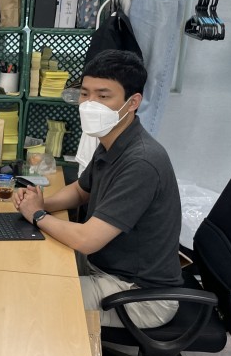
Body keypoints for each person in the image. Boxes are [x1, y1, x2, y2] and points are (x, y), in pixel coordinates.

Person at [13, 49, 182, 328]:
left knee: (30, 296)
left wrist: (38, 215)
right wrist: (40, 203)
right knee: (24, 266)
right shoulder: (112, 141)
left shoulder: (141, 161)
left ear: (132, 102)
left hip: (140, 295)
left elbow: (87, 240)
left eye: (103, 96)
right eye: (85, 94)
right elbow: (82, 191)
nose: (90, 104)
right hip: (104, 266)